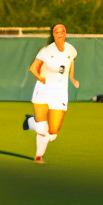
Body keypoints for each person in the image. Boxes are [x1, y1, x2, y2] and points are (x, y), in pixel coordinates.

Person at [22, 22, 79, 163]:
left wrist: (72, 77)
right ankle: (38, 156)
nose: (60, 33)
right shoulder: (46, 51)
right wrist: (40, 78)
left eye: (63, 30)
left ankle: (30, 122)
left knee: (52, 133)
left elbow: (71, 61)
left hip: (60, 93)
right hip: (43, 90)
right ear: (53, 34)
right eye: (57, 31)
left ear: (66, 33)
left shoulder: (71, 50)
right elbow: (33, 67)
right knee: (41, 127)